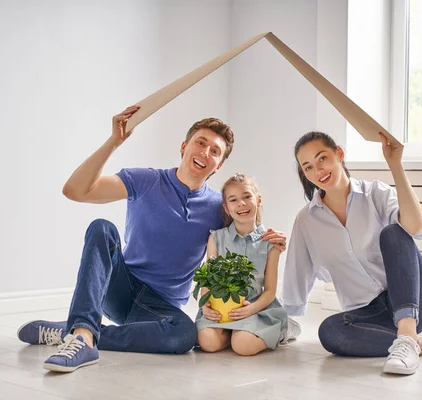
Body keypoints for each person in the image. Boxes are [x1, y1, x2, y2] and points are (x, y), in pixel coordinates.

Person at [16, 106, 287, 373]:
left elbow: (244, 231)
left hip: (161, 307)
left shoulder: (220, 207)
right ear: (184, 147)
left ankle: (79, 333)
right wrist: (114, 142)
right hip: (121, 289)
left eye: (214, 151)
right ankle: (84, 335)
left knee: (183, 336)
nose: (205, 152)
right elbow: (75, 190)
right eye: (200, 143)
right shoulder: (145, 180)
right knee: (101, 227)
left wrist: (272, 237)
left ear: (219, 166)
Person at [281, 131, 422, 375]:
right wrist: (278, 321)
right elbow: (297, 272)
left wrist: (395, 165)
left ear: (339, 154)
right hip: (370, 313)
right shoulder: (307, 220)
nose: (318, 170)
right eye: (308, 167)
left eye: (322, 158)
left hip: (417, 299)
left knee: (394, 232)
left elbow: (415, 228)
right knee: (329, 332)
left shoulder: (376, 194)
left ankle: (406, 333)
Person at [195, 174, 288, 356]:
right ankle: (233, 332)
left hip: (255, 308)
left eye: (247, 197)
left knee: (243, 346)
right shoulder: (216, 238)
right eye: (233, 200)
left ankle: (273, 331)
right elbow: (207, 278)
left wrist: (251, 309)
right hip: (220, 307)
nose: (241, 203)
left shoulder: (271, 242)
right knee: (207, 342)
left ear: (258, 200)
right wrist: (206, 305)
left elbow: (269, 290)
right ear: (226, 208)